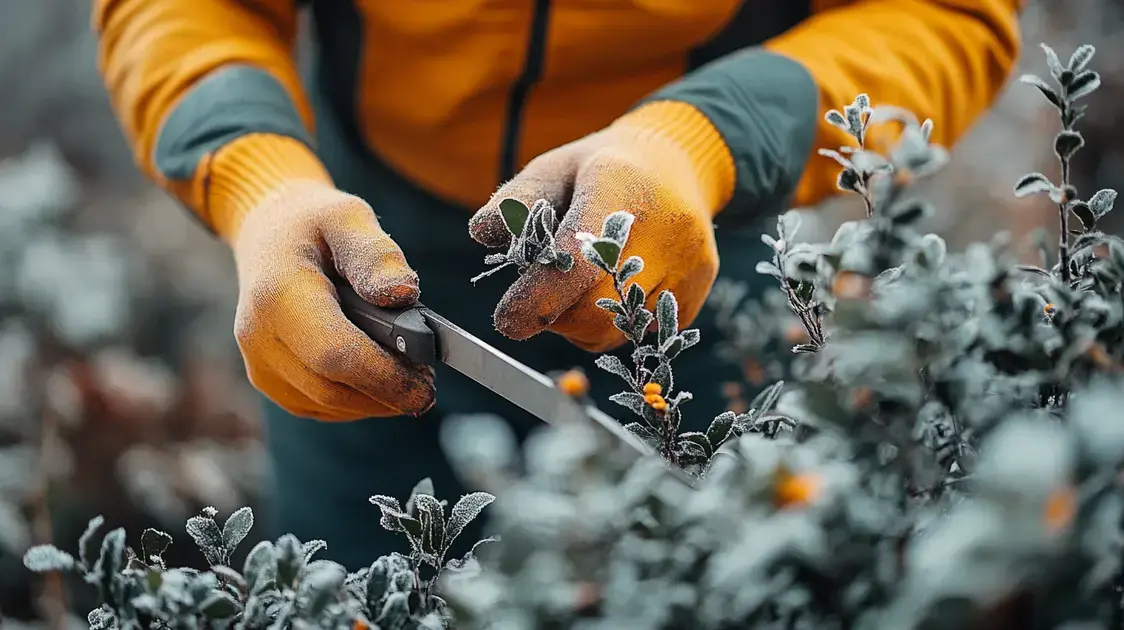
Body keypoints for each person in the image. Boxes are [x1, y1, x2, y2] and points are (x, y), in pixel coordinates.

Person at [93, 0, 1023, 567]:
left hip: (683, 250)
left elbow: (945, 9)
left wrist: (700, 139)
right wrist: (261, 181)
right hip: (353, 250)